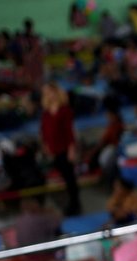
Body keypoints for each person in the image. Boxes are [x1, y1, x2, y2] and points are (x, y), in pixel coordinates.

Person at [40, 81, 82, 216]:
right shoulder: (46, 113)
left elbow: (69, 131)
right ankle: (67, 200)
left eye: (50, 92)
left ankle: (75, 202)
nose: (49, 95)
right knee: (62, 175)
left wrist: (71, 149)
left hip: (64, 147)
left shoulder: (64, 110)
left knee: (69, 176)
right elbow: (44, 131)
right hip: (53, 148)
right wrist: (46, 146)